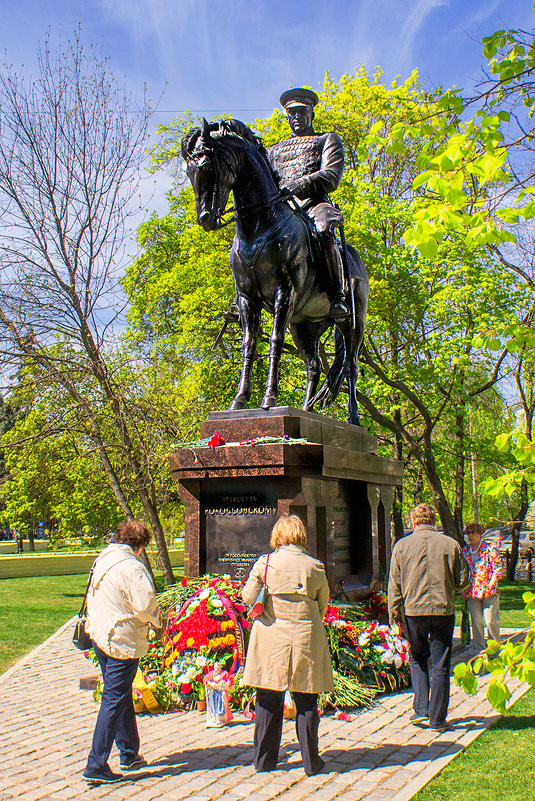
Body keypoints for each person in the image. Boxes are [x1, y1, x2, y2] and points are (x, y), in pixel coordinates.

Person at [242, 514, 333, 775]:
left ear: (277, 536)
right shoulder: (315, 566)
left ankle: (263, 761)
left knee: (268, 700)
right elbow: (322, 604)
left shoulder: (265, 563)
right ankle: (311, 761)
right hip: (305, 638)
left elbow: (249, 597)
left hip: (271, 639)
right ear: (301, 535)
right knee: (306, 702)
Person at [83, 519, 162, 785]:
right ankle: (96, 764)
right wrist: (159, 622)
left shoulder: (103, 558)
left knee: (120, 692)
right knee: (114, 698)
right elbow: (145, 605)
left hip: (100, 634)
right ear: (139, 545)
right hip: (121, 640)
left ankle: (129, 752)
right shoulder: (132, 567)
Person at [268, 87, 350, 322]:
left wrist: (299, 185)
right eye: (291, 114)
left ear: (311, 114)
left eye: (301, 112)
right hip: (284, 211)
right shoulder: (274, 150)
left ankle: (336, 296)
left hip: (314, 205)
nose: (296, 118)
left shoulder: (326, 140)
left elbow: (331, 176)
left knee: (323, 229)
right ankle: (242, 298)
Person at [388, 503, 470, 731]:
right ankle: (437, 719)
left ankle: (421, 709)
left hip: (414, 611)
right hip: (443, 609)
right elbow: (463, 580)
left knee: (417, 657)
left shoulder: (401, 546)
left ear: (412, 521)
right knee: (441, 665)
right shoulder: (450, 544)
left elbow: (394, 584)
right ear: (433, 520)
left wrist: (394, 614)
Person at [462, 521, 502, 653]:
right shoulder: (465, 551)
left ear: (480, 534)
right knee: (476, 621)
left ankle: (494, 650)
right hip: (472, 591)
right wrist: (463, 589)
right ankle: (478, 650)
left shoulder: (489, 549)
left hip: (488, 591)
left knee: (490, 621)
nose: (470, 535)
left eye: (473, 532)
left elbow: (498, 568)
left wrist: (491, 584)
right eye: (468, 533)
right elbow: (463, 571)